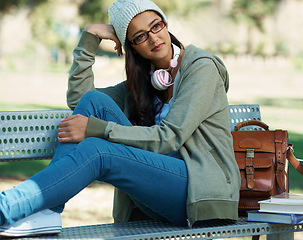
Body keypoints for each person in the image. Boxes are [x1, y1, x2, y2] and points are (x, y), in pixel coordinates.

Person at [0, 0, 240, 237]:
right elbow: (81, 102)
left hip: (199, 189)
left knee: (98, 150)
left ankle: (8, 207)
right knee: (95, 101)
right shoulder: (145, 81)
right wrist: (90, 38)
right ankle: (49, 211)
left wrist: (99, 130)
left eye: (156, 26)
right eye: (140, 37)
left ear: (166, 24)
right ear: (132, 47)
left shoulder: (201, 68)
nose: (154, 38)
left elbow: (169, 137)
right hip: (157, 185)